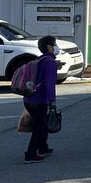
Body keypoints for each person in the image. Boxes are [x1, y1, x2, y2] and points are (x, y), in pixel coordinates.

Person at [23, 35, 58, 164]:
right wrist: (52, 100)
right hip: (39, 100)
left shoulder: (40, 59)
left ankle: (43, 147)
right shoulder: (49, 62)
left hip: (30, 98)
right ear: (49, 47)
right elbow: (49, 84)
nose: (56, 47)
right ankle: (30, 154)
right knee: (39, 127)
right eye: (54, 44)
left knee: (42, 124)